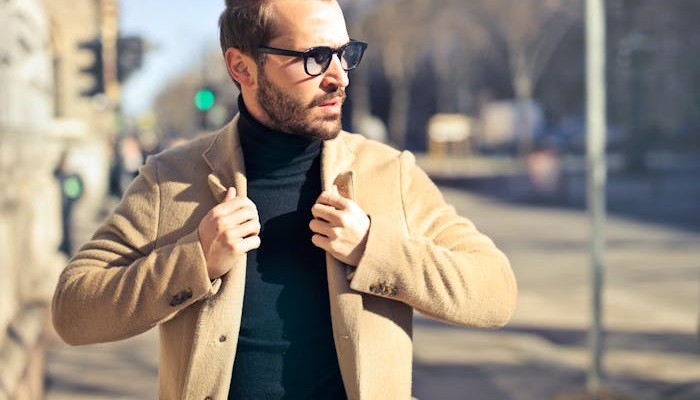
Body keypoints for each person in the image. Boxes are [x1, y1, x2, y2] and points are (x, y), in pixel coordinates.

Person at [51, 0, 517, 398]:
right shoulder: (170, 181)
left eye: (345, 53)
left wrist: (376, 250)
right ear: (242, 67)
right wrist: (194, 261)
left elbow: (495, 292)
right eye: (315, 56)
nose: (339, 78)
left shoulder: (390, 173)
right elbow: (73, 312)